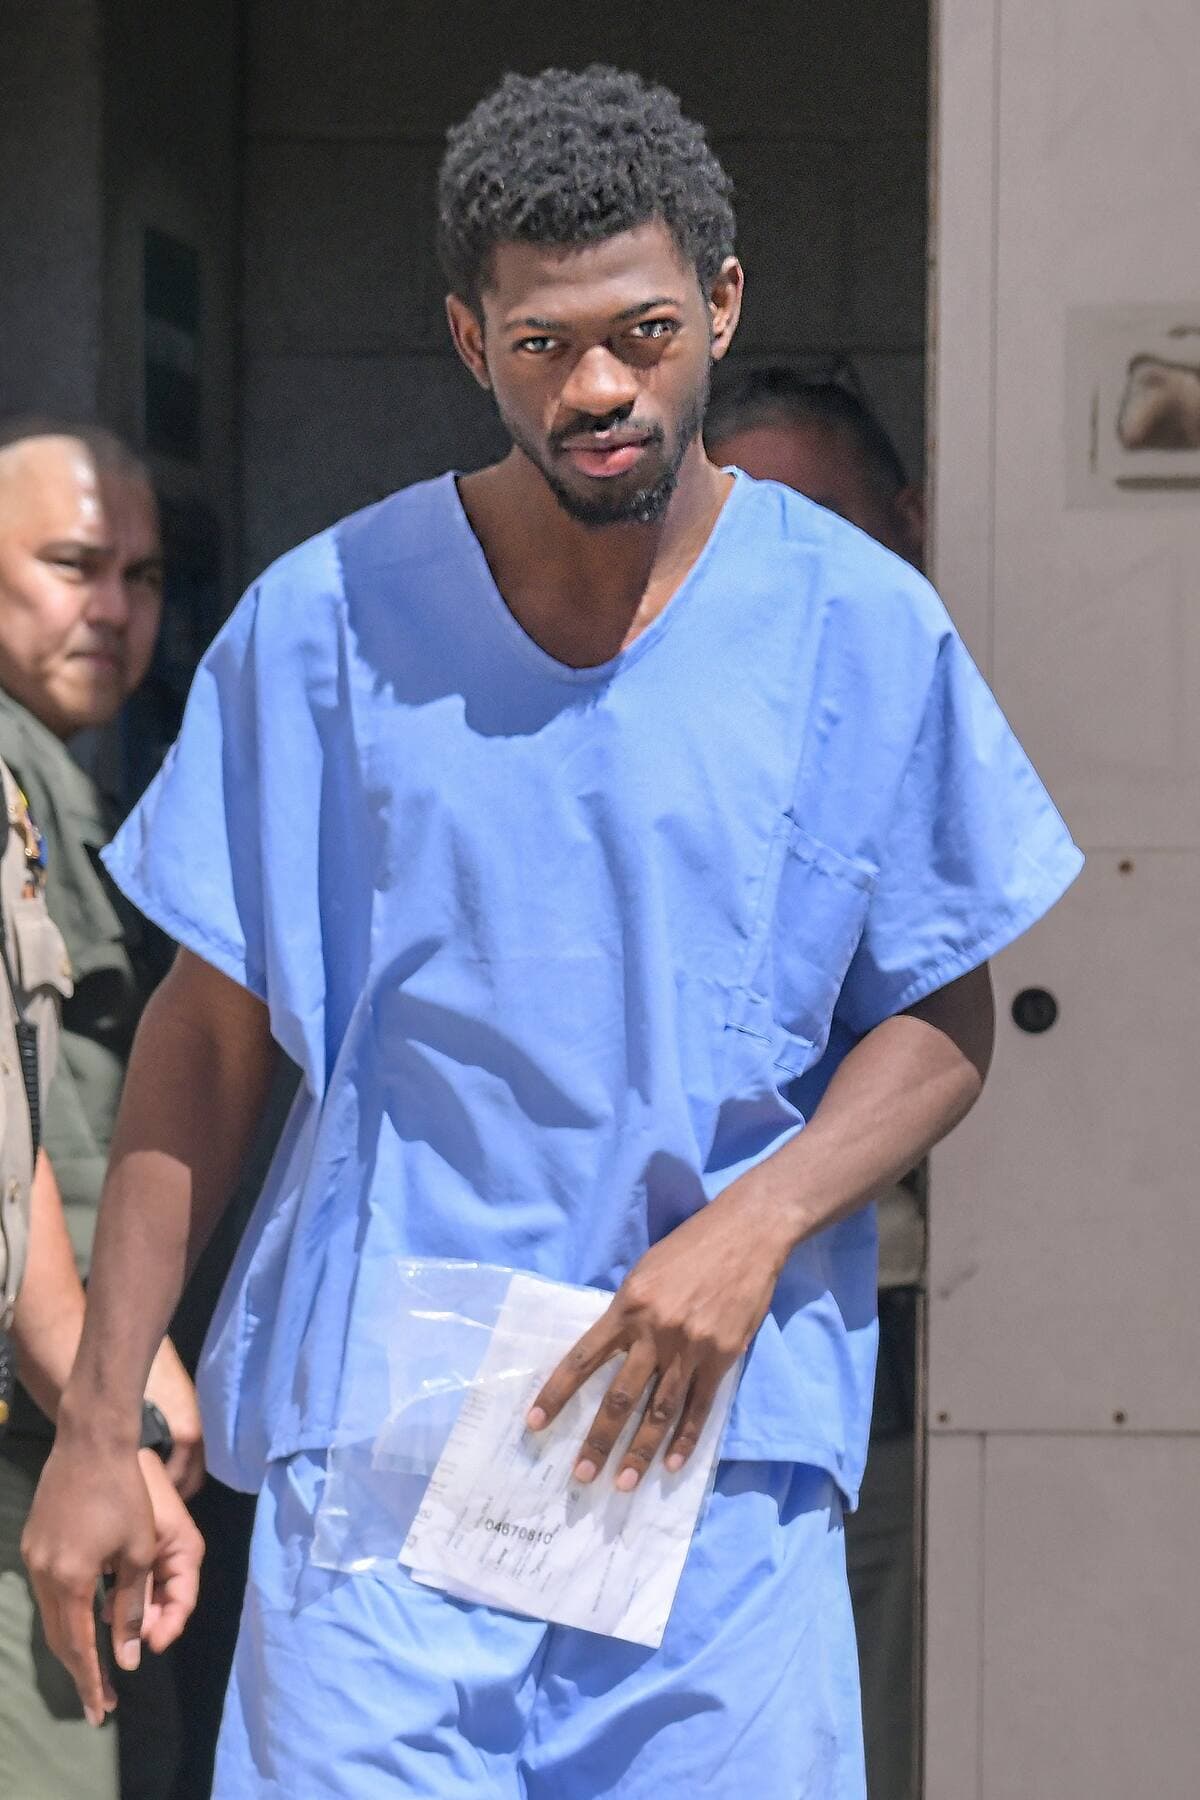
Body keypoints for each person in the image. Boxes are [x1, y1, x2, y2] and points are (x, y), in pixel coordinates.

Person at [25, 66, 1082, 1799]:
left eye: (643, 333)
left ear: (720, 306)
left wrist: (756, 1228)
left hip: (715, 1475)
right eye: (543, 344)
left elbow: (942, 1013)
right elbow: (206, 1039)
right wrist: (97, 1421)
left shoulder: (858, 631)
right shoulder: (325, 627)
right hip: (383, 1475)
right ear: (471, 339)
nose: (598, 387)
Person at [706, 366, 931, 1800]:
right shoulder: (678, 748)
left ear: (910, 525)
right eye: (749, 533)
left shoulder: (943, 721)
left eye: (825, 527)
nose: (791, 575)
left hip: (914, 1352)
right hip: (714, 1370)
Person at [0, 418, 203, 1798]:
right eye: (72, 565)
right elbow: (23, 1139)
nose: (114, 609)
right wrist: (106, 1385)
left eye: (142, 576)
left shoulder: (68, 782)